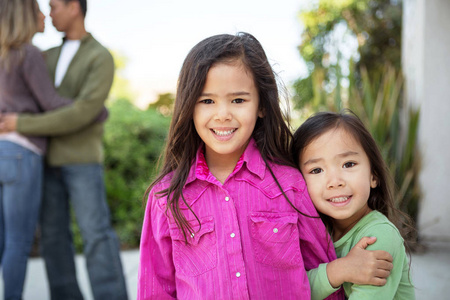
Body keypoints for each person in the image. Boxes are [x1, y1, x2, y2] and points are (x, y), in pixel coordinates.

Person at [138, 32, 393, 299]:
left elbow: (324, 276)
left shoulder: (290, 185)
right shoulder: (166, 197)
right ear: (189, 107)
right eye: (207, 101)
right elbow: (155, 290)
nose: (223, 114)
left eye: (238, 100)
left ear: (261, 105)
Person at [0, 0, 127, 299]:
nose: (49, 13)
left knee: (96, 235)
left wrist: (21, 123)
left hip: (82, 160)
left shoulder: (100, 57)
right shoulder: (45, 55)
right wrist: (90, 111)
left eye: (55, 6)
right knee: (53, 240)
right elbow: (58, 106)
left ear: (74, 7)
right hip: (44, 161)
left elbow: (80, 113)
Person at [292, 110, 416, 299]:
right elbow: (290, 288)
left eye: (348, 164)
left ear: (373, 176)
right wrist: (339, 270)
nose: (335, 181)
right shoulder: (315, 232)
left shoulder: (378, 236)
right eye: (317, 170)